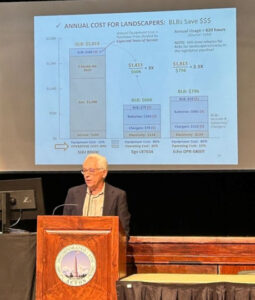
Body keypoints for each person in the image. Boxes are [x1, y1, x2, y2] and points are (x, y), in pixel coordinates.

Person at [63, 153, 130, 237]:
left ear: (104, 173)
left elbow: (123, 233)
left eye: (91, 170)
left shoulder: (118, 195)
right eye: (84, 170)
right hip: (78, 248)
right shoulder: (73, 193)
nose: (86, 175)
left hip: (105, 247)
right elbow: (64, 227)